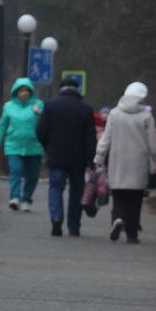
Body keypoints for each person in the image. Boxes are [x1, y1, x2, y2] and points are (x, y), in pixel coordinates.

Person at [95, 81, 156, 244]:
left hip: (117, 161)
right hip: (138, 162)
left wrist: (99, 158)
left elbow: (105, 139)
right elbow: (153, 142)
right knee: (135, 199)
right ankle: (132, 234)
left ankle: (118, 218)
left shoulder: (114, 114)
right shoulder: (146, 116)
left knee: (118, 195)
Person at [36, 75, 97, 237]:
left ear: (60, 89)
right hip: (79, 158)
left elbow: (40, 131)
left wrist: (47, 147)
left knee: (56, 187)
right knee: (77, 191)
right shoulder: (86, 108)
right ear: (77, 89)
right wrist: (91, 159)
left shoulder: (50, 106)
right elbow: (90, 137)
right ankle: (74, 225)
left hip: (56, 155)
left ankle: (56, 218)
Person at [0, 77, 45, 211]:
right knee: (16, 170)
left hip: (34, 146)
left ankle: (26, 199)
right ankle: (14, 198)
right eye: (21, 90)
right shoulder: (8, 106)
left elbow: (47, 124)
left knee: (33, 175)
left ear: (31, 92)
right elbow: (2, 126)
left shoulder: (38, 104)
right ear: (16, 92)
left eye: (27, 90)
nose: (24, 93)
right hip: (14, 145)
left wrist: (40, 114)